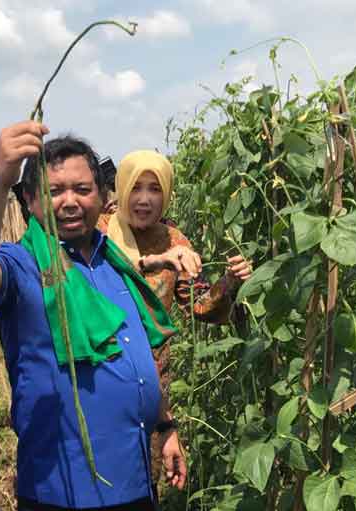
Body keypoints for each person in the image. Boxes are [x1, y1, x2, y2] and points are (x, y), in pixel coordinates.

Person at [0, 122, 188, 511]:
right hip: (64, 499)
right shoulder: (23, 268)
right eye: (53, 190)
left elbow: (136, 357)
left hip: (131, 484)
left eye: (82, 188)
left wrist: (164, 427)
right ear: (31, 202)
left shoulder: (113, 264)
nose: (68, 200)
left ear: (102, 196)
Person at [100, 150, 252, 475]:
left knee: (143, 485)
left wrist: (228, 281)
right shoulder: (98, 231)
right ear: (122, 187)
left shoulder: (174, 239)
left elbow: (198, 305)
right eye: (136, 187)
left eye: (154, 189)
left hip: (152, 390)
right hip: (98, 380)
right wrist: (157, 261)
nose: (144, 199)